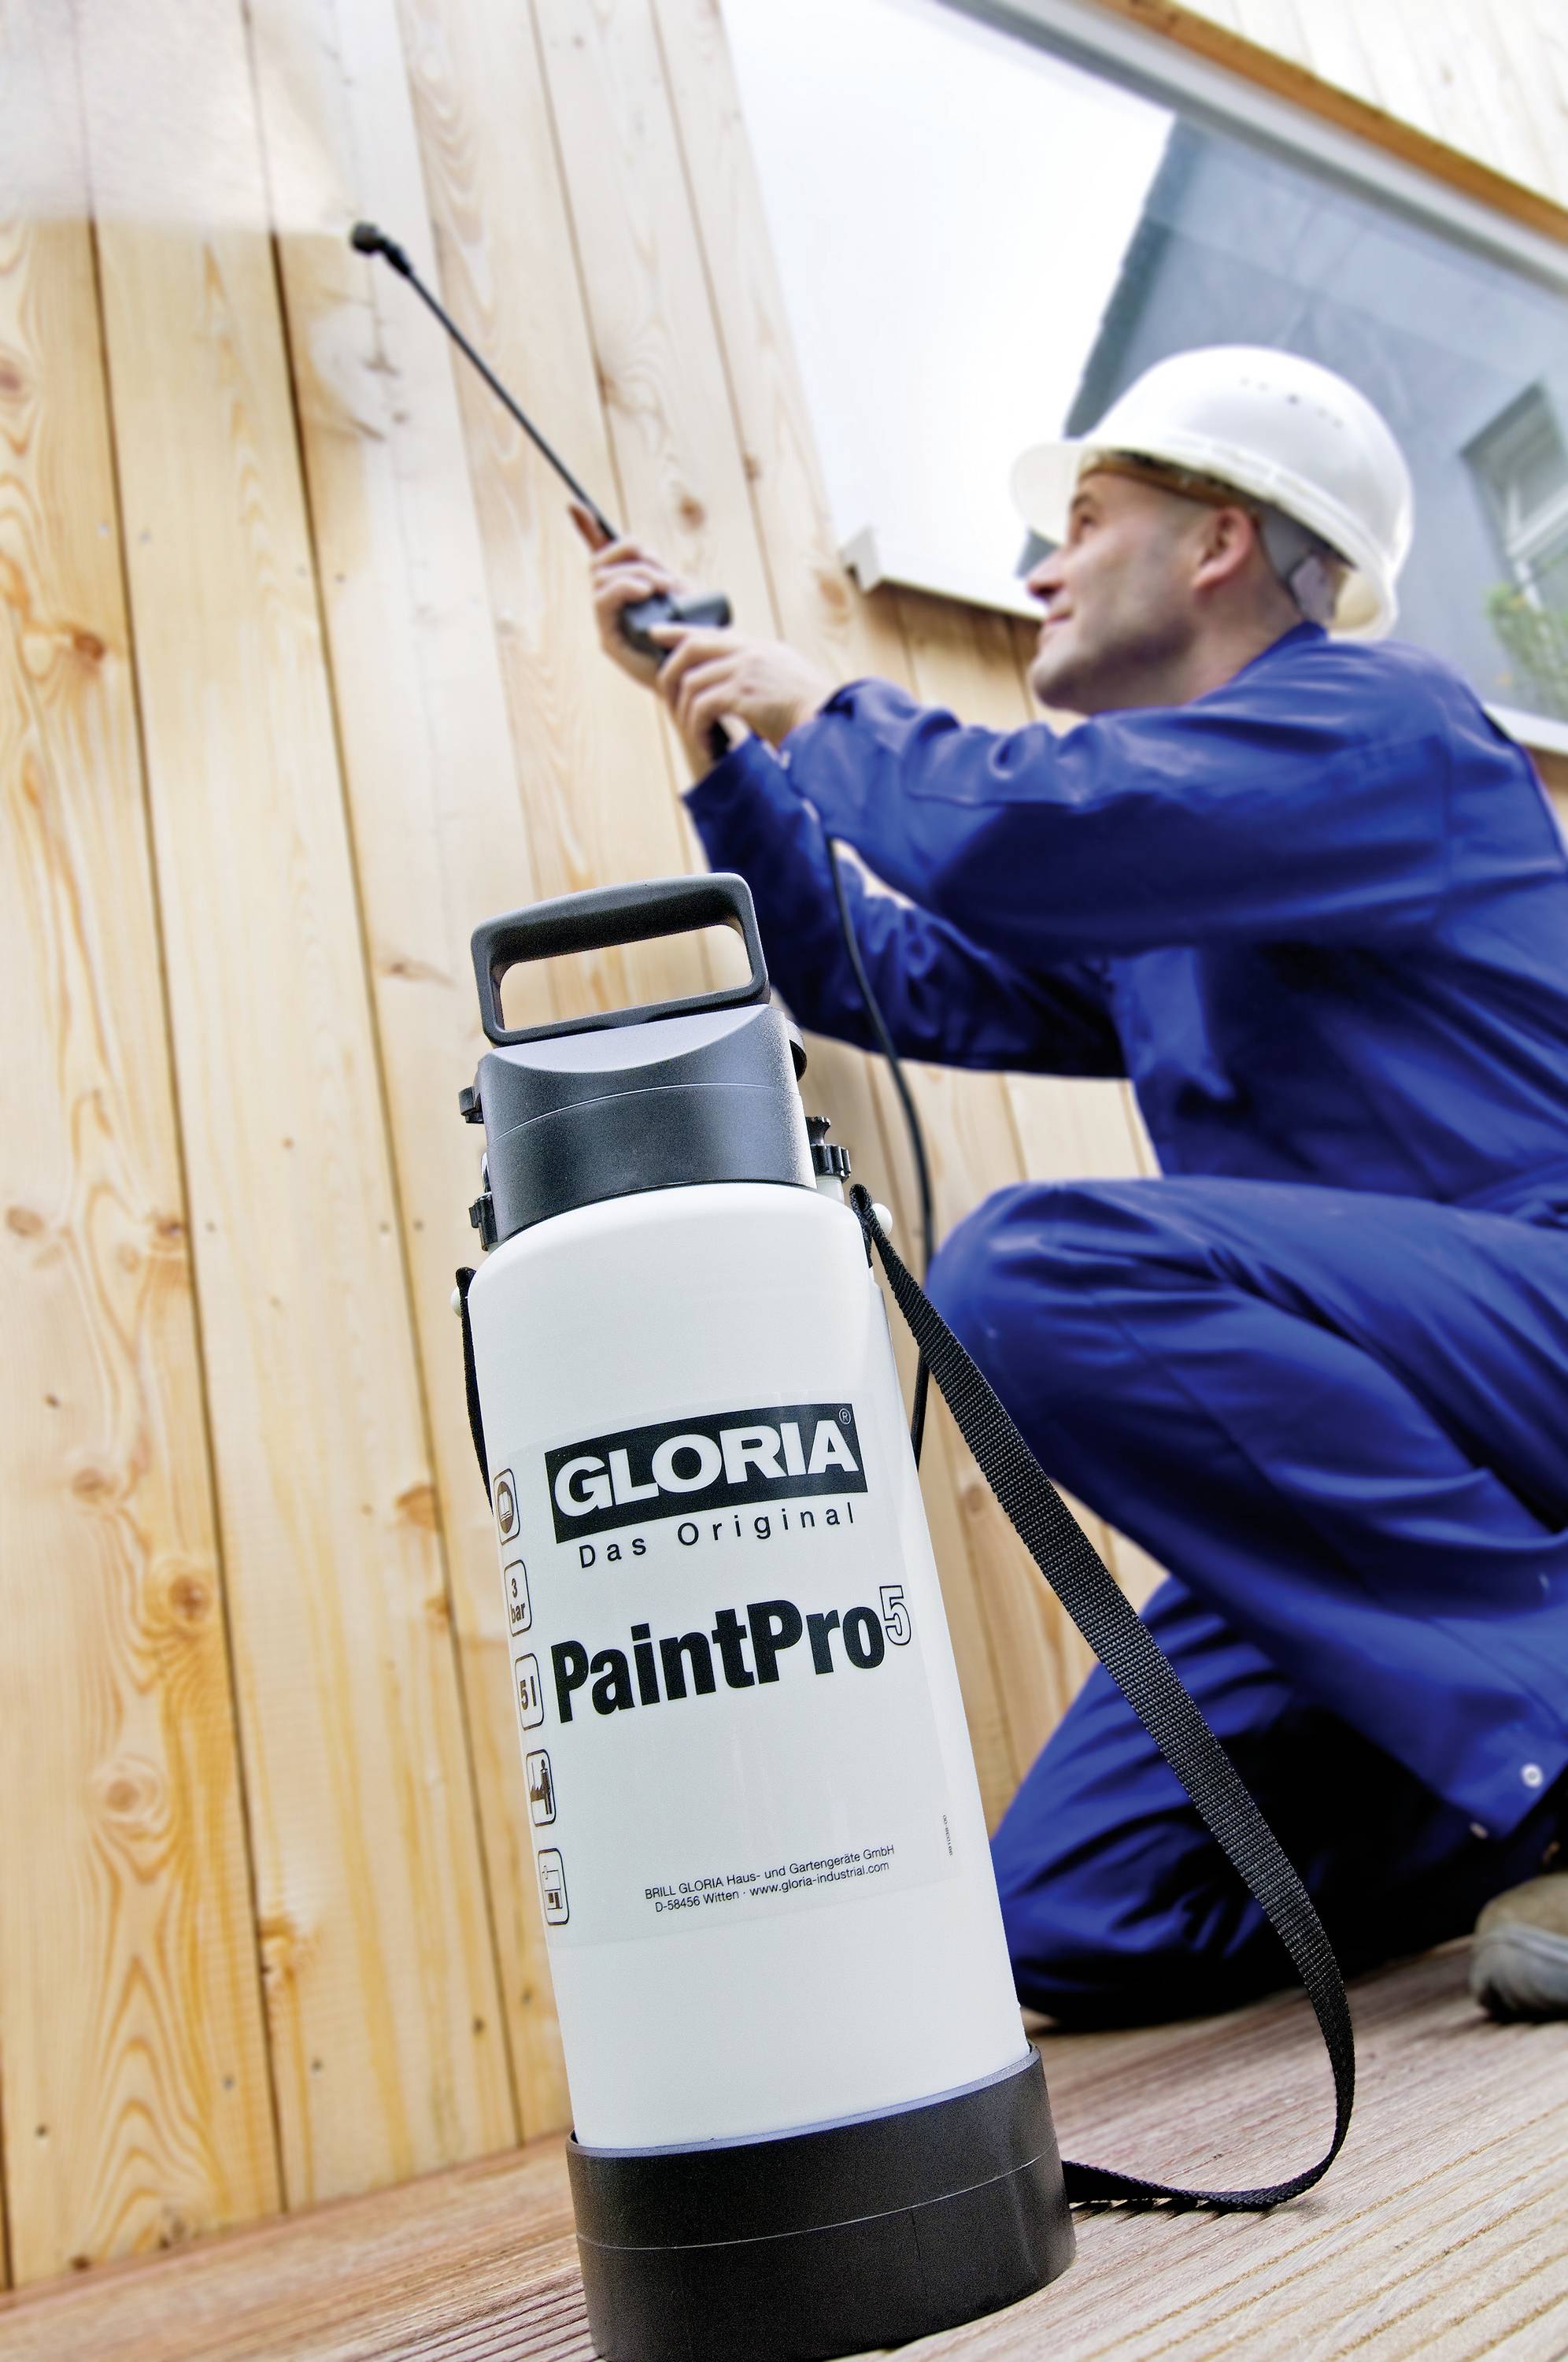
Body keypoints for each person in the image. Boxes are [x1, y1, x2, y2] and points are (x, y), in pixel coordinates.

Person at [572, 345, 1568, 2026]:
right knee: (1071, 1915)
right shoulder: (1173, 865)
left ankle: (1534, 1735)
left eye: (1085, 520)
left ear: (1219, 546)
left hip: (1531, 1341)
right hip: (1404, 1463)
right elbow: (893, 979)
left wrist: (825, 707)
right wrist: (737, 762)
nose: (1037, 566)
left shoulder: (1377, 726)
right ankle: (1516, 1783)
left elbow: (1019, 836)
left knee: (1034, 1272)